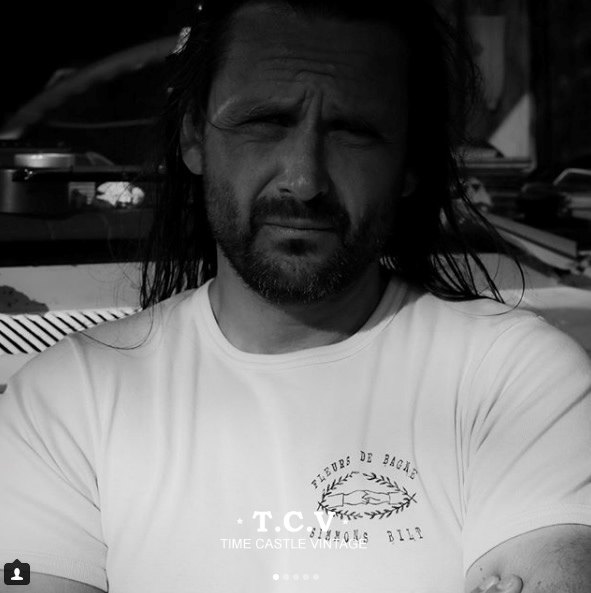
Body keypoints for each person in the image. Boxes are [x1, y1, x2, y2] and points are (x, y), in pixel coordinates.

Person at [1, 1, 591, 592]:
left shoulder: (514, 379)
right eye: (266, 121)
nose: (305, 180)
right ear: (193, 136)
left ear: (410, 161)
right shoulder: (67, 398)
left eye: (352, 131)